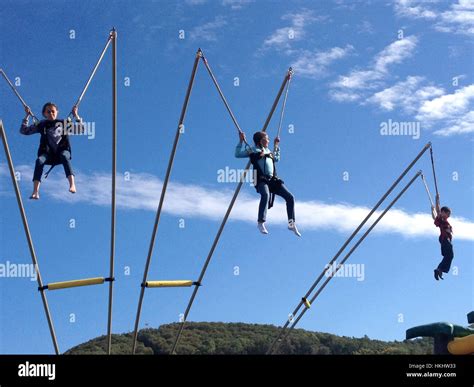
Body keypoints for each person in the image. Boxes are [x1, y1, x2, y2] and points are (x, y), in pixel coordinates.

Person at [235, 131, 301, 237]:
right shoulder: (252, 149)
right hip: (260, 179)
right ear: (261, 140)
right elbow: (237, 154)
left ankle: (291, 223)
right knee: (265, 195)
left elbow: (277, 158)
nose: (268, 140)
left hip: (272, 180)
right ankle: (261, 222)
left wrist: (276, 146)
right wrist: (241, 141)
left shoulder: (269, 151)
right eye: (267, 138)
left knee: (290, 197)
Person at [20, 102, 83, 200]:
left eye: (53, 111)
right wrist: (27, 116)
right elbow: (24, 131)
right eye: (48, 112)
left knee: (64, 156)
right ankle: (35, 191)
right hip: (48, 154)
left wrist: (76, 115)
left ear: (57, 112)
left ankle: (72, 185)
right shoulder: (42, 124)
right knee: (39, 161)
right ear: (44, 114)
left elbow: (81, 129)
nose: (51, 113)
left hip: (62, 151)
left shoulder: (64, 123)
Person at [431, 196, 454, 280]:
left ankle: (439, 269)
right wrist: (437, 200)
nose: (448, 216)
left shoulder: (444, 220)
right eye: (448, 214)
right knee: (450, 255)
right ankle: (440, 269)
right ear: (443, 212)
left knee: (448, 256)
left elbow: (435, 215)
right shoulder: (441, 218)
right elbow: (438, 210)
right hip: (445, 240)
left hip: (445, 241)